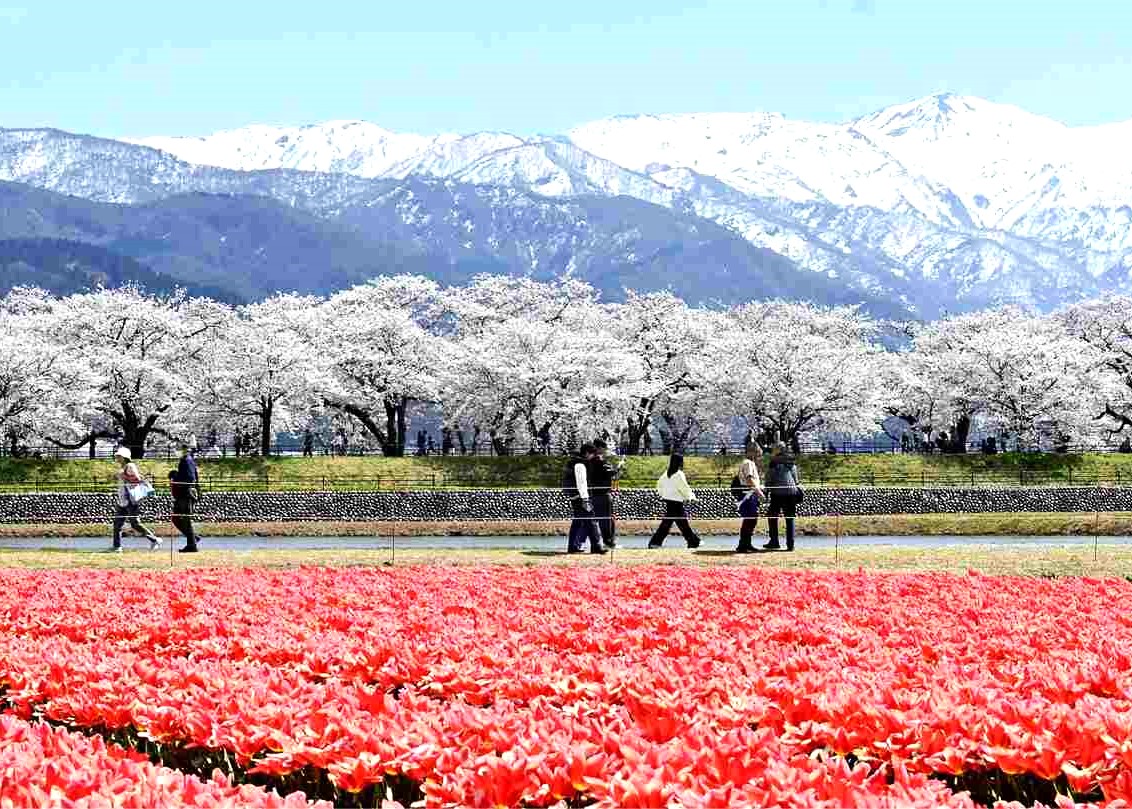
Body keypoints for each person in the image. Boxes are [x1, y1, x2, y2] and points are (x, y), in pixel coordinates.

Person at [110, 447, 161, 552]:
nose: (117, 458)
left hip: (130, 500)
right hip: (122, 500)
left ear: (124, 457)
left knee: (135, 524)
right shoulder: (123, 467)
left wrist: (123, 476)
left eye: (118, 456)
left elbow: (137, 479)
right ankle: (117, 547)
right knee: (117, 524)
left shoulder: (130, 466)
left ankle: (154, 539)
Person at [647, 454, 702, 549]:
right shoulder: (679, 474)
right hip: (677, 502)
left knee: (673, 523)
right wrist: (692, 497)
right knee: (679, 524)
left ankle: (693, 541)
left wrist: (663, 494)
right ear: (679, 462)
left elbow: (659, 485)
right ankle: (693, 541)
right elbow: (684, 488)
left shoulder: (666, 474)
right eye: (682, 461)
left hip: (669, 502)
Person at [562, 443, 607, 555]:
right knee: (591, 520)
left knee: (577, 522)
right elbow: (581, 483)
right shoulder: (580, 464)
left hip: (575, 496)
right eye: (592, 454)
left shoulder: (573, 462)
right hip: (581, 498)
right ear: (587, 453)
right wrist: (586, 499)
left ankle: (572, 546)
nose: (593, 456)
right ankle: (596, 547)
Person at [764, 442, 801, 551]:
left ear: (777, 450)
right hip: (791, 492)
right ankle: (791, 544)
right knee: (790, 518)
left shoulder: (774, 462)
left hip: (777, 493)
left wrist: (766, 490)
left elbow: (769, 478)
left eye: (773, 449)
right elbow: (796, 480)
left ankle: (774, 541)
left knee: (772, 515)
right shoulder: (791, 461)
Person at [589, 438, 625, 549]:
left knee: (600, 519)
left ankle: (600, 542)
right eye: (604, 449)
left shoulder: (589, 461)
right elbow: (612, 473)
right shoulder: (599, 461)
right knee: (608, 519)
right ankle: (609, 542)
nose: (605, 451)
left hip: (593, 493)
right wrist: (620, 465)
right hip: (603, 494)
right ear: (599, 448)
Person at [168, 440, 201, 553]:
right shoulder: (186, 460)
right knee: (176, 518)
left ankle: (192, 545)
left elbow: (190, 478)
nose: (176, 451)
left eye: (178, 449)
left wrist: (175, 476)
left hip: (185, 494)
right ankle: (193, 538)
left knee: (185, 520)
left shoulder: (186, 460)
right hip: (183, 494)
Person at [735, 445, 767, 553]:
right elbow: (749, 480)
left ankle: (746, 544)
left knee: (751, 519)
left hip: (750, 493)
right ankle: (743, 545)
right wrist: (759, 493)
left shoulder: (748, 463)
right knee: (750, 519)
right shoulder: (748, 463)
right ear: (752, 452)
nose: (759, 456)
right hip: (748, 494)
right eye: (758, 453)